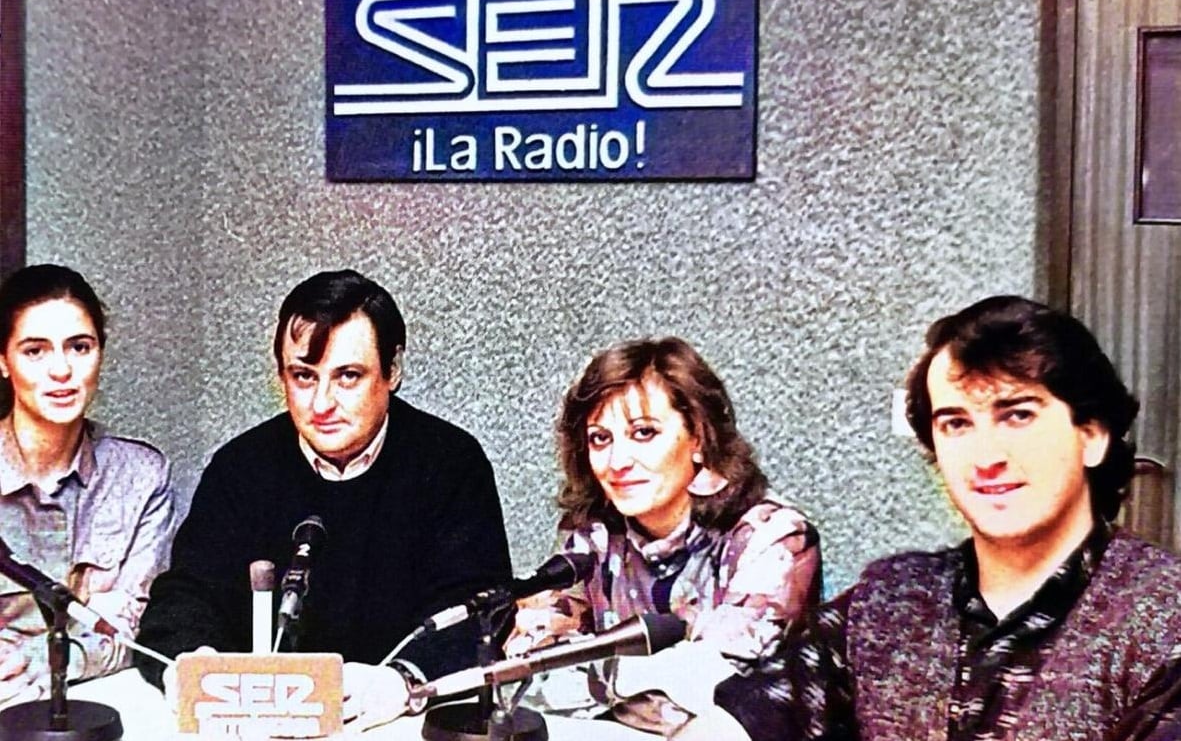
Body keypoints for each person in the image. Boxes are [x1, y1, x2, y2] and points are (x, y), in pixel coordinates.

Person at [675, 295, 1181, 740]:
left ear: (1091, 435)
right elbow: (749, 716)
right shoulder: (892, 599)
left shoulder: (1162, 621)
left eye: (1018, 415)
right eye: (956, 424)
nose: (987, 455)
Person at [134, 270, 513, 728]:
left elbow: (480, 608)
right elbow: (186, 594)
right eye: (303, 377)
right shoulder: (241, 466)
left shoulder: (450, 462)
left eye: (348, 376)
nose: (321, 404)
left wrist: (405, 680)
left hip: (402, 722)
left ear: (393, 370)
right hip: (254, 726)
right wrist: (192, 663)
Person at [509, 337, 821, 734]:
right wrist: (650, 676)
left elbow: (719, 693)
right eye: (600, 439)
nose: (618, 462)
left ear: (698, 438)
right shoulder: (594, 536)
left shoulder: (773, 538)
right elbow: (522, 675)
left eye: (643, 433)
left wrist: (597, 680)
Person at [0, 264, 174, 707]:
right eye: (35, 351)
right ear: (3, 361)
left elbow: (131, 625)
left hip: (98, 701)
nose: (61, 370)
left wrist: (47, 663)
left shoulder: (141, 476)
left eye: (80, 347)